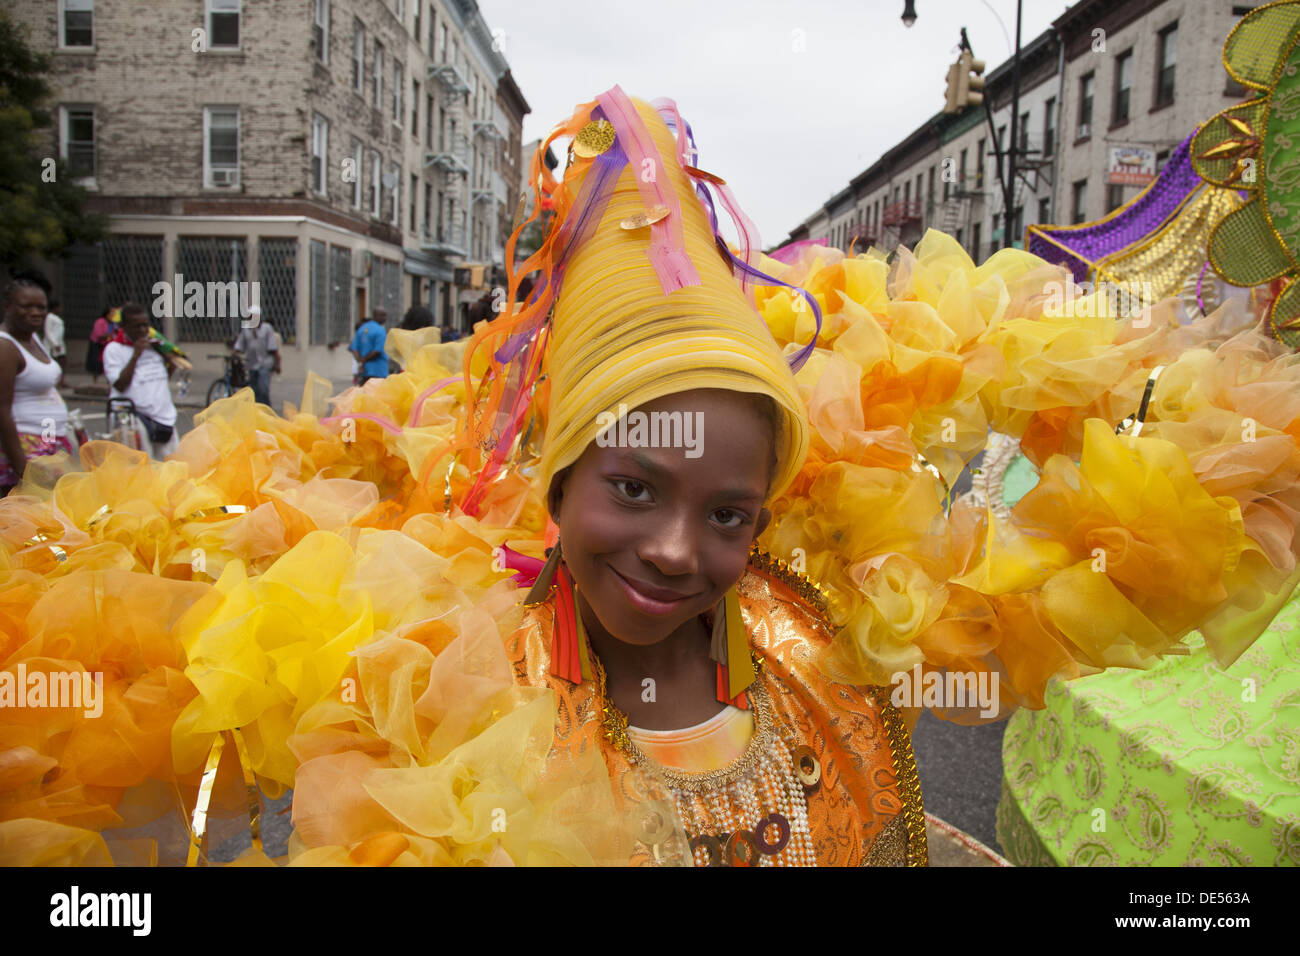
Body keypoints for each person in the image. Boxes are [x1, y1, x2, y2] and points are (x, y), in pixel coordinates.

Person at [0, 274, 72, 494]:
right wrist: (22, 469)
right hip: (23, 449)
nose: (35, 312)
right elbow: (1, 410)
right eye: (26, 306)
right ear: (7, 306)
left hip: (47, 443)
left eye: (41, 307)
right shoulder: (5, 347)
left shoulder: (32, 338)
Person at [102, 302, 180, 459]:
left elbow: (161, 377)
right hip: (134, 417)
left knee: (172, 468)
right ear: (124, 326)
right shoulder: (113, 350)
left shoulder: (154, 347)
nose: (143, 331)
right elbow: (120, 385)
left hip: (163, 416)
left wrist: (169, 359)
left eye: (145, 325)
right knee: (141, 471)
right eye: (137, 326)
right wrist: (136, 354)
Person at [232, 307, 281, 407]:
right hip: (252, 364)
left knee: (263, 388)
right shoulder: (246, 330)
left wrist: (277, 364)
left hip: (264, 363)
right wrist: (234, 353)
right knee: (253, 390)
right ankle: (256, 411)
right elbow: (240, 344)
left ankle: (266, 409)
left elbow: (273, 348)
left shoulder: (266, 329)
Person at [348, 307, 388, 385]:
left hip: (364, 371)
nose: (385, 318)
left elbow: (354, 348)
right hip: (379, 371)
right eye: (383, 315)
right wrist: (363, 360)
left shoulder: (362, 328)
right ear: (375, 316)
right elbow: (377, 351)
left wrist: (360, 361)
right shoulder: (380, 330)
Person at [85, 304, 114, 381]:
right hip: (97, 344)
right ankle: (95, 380)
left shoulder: (111, 323)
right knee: (96, 361)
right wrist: (109, 336)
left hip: (105, 344)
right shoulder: (100, 321)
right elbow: (99, 335)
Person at [42, 297, 67, 385]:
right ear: (54, 307)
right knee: (54, 363)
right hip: (52, 345)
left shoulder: (56, 318)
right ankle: (54, 381)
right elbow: (48, 332)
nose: (60, 309)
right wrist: (54, 344)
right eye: (59, 307)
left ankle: (61, 381)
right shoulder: (49, 317)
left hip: (59, 344)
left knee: (62, 362)